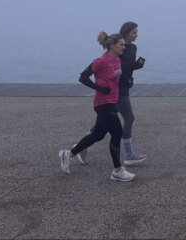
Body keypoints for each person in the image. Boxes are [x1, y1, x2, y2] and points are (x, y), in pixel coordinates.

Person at [59, 32, 136, 182]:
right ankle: (117, 170)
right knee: (117, 133)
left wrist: (127, 83)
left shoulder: (117, 61)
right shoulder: (101, 61)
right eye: (121, 45)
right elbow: (83, 77)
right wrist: (100, 88)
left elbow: (115, 80)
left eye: (124, 45)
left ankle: (69, 154)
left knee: (98, 135)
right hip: (103, 103)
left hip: (112, 101)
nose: (123, 47)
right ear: (112, 46)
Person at [77, 21, 147, 166]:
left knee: (102, 124)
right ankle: (129, 155)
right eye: (134, 32)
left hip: (123, 88)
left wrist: (135, 68)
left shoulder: (132, 48)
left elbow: (125, 68)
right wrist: (100, 87)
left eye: (137, 32)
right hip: (115, 90)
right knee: (129, 118)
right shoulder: (115, 49)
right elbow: (111, 66)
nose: (136, 35)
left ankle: (80, 147)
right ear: (126, 33)